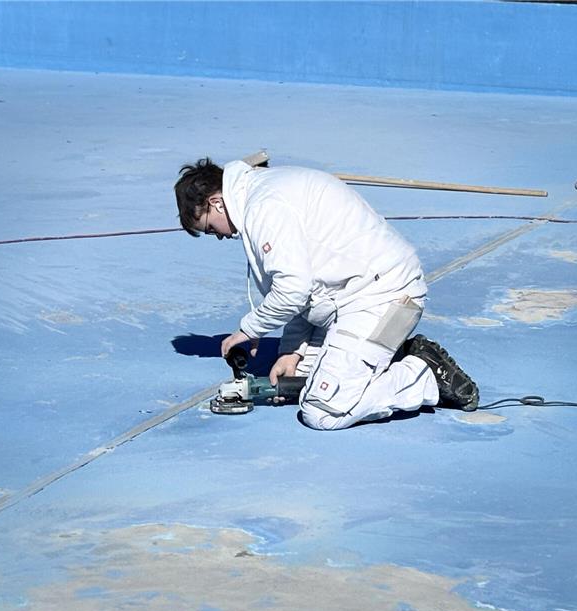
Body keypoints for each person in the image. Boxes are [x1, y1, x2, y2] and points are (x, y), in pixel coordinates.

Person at [174, 157, 478, 429]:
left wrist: (248, 330)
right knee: (297, 382)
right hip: (352, 300)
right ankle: (385, 355)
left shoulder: (264, 207)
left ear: (216, 201)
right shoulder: (258, 193)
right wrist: (291, 351)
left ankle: (423, 374)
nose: (218, 236)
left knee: (322, 409)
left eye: (210, 228)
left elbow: (292, 291)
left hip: (387, 297)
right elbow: (309, 291)